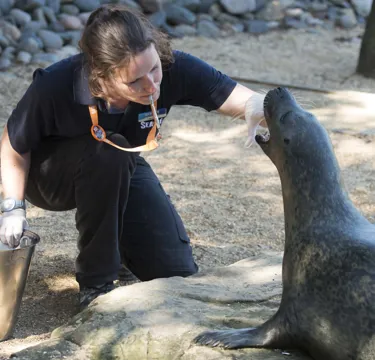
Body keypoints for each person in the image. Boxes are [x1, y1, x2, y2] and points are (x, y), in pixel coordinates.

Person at [0, 4, 266, 310]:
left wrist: (263, 108)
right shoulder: (57, 85)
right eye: (135, 81)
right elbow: (13, 145)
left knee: (174, 271)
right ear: (103, 76)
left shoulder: (171, 68)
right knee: (108, 150)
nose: (151, 86)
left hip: (117, 163)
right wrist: (13, 207)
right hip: (50, 177)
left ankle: (122, 250)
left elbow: (229, 94)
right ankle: (96, 283)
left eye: (154, 69)